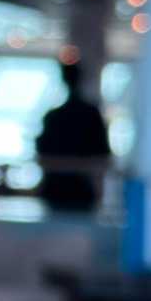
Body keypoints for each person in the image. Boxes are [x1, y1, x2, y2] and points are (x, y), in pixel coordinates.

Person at [36, 58, 110, 212]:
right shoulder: (90, 115)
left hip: (56, 189)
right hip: (80, 190)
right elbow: (102, 155)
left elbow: (42, 154)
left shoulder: (53, 117)